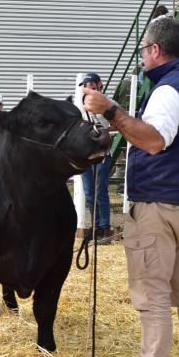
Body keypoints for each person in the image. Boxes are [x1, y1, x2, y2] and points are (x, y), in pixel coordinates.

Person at [83, 17, 179, 357]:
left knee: (151, 291)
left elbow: (155, 140)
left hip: (160, 205)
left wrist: (111, 111)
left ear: (156, 49)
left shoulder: (169, 89)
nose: (142, 57)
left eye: (143, 50)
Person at [79, 73, 115, 244]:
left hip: (101, 154)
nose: (88, 88)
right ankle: (95, 228)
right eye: (86, 85)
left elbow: (115, 124)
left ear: (99, 85)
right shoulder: (80, 106)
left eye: (91, 84)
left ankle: (104, 227)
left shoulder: (108, 104)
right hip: (85, 155)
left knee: (100, 192)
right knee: (89, 193)